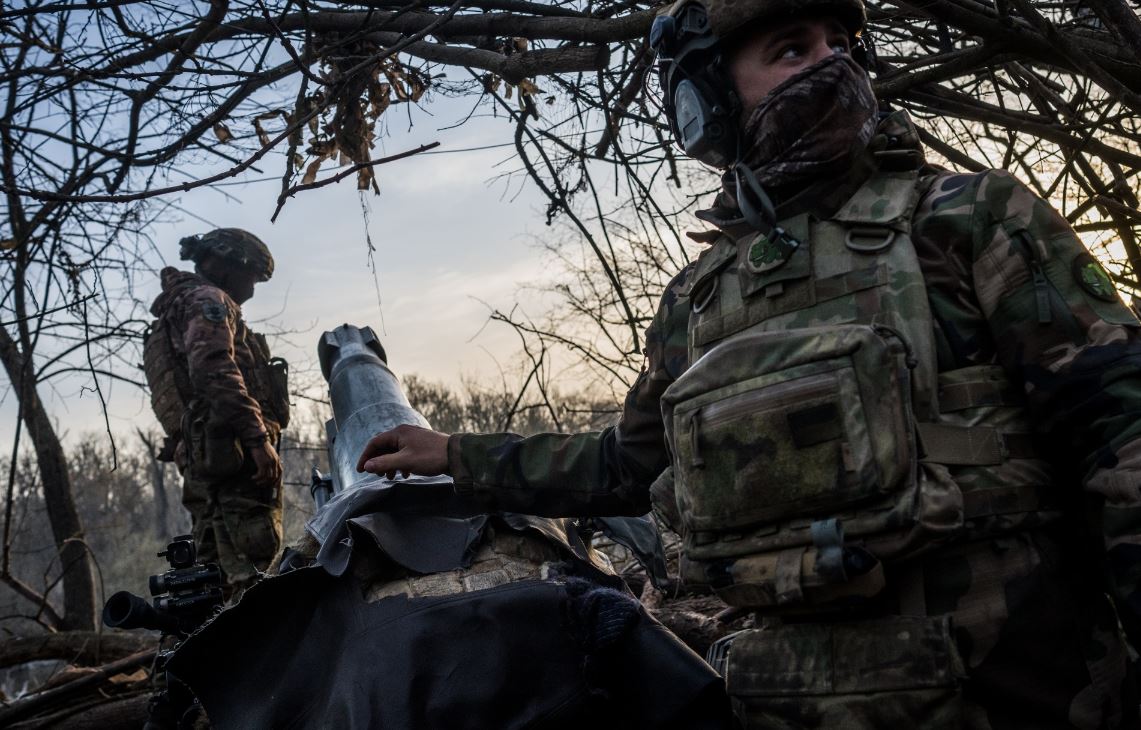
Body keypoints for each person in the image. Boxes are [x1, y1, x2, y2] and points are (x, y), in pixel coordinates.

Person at [356, 0, 1141, 727]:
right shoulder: (696, 298)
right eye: (792, 50)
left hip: (1023, 685)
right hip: (785, 696)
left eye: (841, 45)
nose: (832, 64)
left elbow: (1119, 432)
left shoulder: (967, 215)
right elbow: (624, 466)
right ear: (707, 100)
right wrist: (455, 454)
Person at [144, 228, 290, 598]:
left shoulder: (175, 309)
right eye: (251, 277)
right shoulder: (208, 300)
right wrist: (257, 439)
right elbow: (213, 368)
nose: (252, 290)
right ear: (226, 265)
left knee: (213, 581)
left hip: (208, 461)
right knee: (252, 574)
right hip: (235, 458)